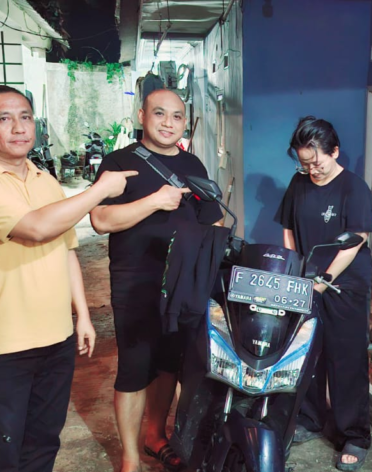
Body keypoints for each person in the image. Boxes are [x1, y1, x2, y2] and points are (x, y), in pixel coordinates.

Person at [0, 85, 135, 471]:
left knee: (44, 443)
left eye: (26, 117)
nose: (19, 128)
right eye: (4, 119)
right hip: (2, 343)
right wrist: (99, 190)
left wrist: (82, 315)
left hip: (56, 338)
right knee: (1, 452)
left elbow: (66, 250)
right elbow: (34, 228)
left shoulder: (46, 181)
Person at [89, 89, 222, 472]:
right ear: (141, 115)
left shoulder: (193, 163)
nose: (168, 123)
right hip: (136, 282)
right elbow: (100, 220)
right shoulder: (120, 162)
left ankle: (155, 435)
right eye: (159, 113)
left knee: (169, 364)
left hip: (183, 283)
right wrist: (154, 201)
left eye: (177, 116)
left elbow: (212, 221)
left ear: (185, 122)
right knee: (134, 369)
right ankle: (130, 457)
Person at [277, 116, 372, 471]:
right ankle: (311, 418)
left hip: (344, 285)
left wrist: (324, 279)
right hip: (306, 281)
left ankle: (354, 434)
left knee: (345, 359)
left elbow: (357, 238)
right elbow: (288, 227)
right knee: (308, 354)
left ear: (335, 151)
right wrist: (295, 268)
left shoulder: (353, 187)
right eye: (304, 164)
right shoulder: (299, 182)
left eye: (317, 162)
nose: (311, 170)